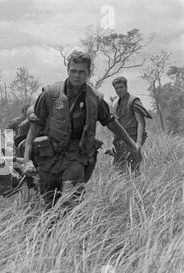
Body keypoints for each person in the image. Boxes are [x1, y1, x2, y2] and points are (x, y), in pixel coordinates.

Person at [23, 51, 142, 208]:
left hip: (77, 157)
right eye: (73, 71)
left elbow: (111, 123)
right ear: (67, 70)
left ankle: (71, 225)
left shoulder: (96, 99)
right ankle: (53, 231)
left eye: (81, 72)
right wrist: (26, 161)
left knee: (70, 200)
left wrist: (133, 145)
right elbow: (34, 129)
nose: (77, 75)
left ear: (88, 73)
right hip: (49, 159)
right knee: (49, 205)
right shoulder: (50, 94)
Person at [111, 76, 152, 174]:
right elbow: (115, 125)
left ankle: (137, 187)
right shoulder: (116, 104)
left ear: (126, 87)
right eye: (116, 88)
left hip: (132, 139)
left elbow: (140, 123)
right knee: (118, 169)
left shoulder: (134, 101)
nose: (119, 90)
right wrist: (114, 144)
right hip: (120, 141)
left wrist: (138, 143)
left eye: (121, 87)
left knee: (133, 167)